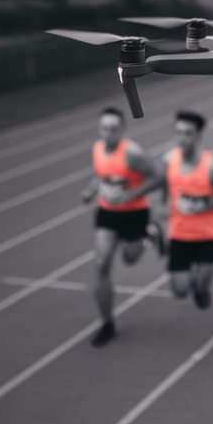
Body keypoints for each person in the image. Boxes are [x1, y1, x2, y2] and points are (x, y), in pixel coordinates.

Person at [119, 111, 213, 313]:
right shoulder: (169, 160)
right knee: (180, 291)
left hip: (207, 235)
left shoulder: (212, 166)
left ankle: (201, 288)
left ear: (198, 135)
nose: (181, 138)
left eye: (187, 133)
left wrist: (202, 204)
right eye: (178, 132)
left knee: (201, 289)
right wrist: (134, 195)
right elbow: (159, 182)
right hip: (179, 234)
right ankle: (156, 237)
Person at [81, 107, 160, 348]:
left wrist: (129, 196)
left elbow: (156, 177)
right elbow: (101, 174)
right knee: (101, 265)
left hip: (135, 214)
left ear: (122, 129)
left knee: (130, 258)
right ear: (99, 129)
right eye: (104, 128)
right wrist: (91, 191)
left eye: (113, 129)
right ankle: (107, 323)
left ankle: (151, 233)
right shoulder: (97, 148)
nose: (108, 133)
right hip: (107, 214)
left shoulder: (133, 153)